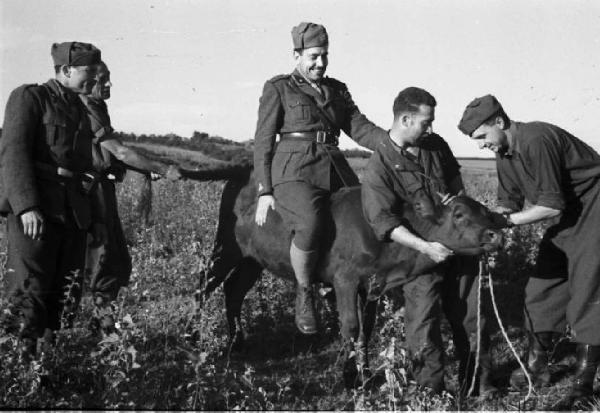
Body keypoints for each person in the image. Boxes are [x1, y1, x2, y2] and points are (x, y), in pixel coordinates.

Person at [458, 94, 600, 407]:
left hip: (594, 209)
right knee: (541, 290)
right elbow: (508, 202)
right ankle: (536, 367)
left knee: (587, 291)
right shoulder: (505, 153)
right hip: (566, 218)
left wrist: (505, 223)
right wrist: (491, 228)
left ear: (499, 121)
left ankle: (583, 385)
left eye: (482, 136)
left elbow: (549, 205)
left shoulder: (537, 138)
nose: (481, 145)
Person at [253, 22, 388, 335]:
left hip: (334, 166)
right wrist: (265, 189)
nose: (321, 63)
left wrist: (395, 142)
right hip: (293, 170)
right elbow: (263, 140)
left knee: (367, 217)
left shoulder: (337, 90)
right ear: (296, 54)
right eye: (314, 56)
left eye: (325, 56)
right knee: (311, 222)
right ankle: (305, 292)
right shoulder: (279, 88)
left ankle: (343, 283)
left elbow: (362, 129)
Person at [361, 87, 497, 394]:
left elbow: (457, 188)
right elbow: (384, 224)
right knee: (423, 324)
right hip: (419, 257)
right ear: (406, 119)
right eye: (426, 122)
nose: (431, 128)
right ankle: (430, 392)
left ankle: (478, 382)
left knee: (471, 315)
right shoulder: (378, 166)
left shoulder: (435, 145)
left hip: (460, 246)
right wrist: (426, 248)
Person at [0, 42, 104, 358]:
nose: (95, 76)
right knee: (30, 291)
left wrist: (96, 219)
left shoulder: (81, 110)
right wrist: (27, 206)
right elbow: (13, 153)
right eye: (89, 70)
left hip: (73, 216)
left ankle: (46, 366)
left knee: (65, 293)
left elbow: (88, 170)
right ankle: (21, 368)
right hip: (36, 214)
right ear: (65, 70)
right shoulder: (29, 98)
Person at [79, 61, 181, 335]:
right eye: (104, 79)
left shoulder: (96, 107)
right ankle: (104, 328)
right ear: (88, 80)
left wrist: (148, 168)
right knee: (103, 258)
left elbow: (112, 157)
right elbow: (119, 152)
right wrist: (161, 168)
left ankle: (102, 323)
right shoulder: (86, 106)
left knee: (111, 258)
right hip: (91, 193)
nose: (110, 84)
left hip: (100, 190)